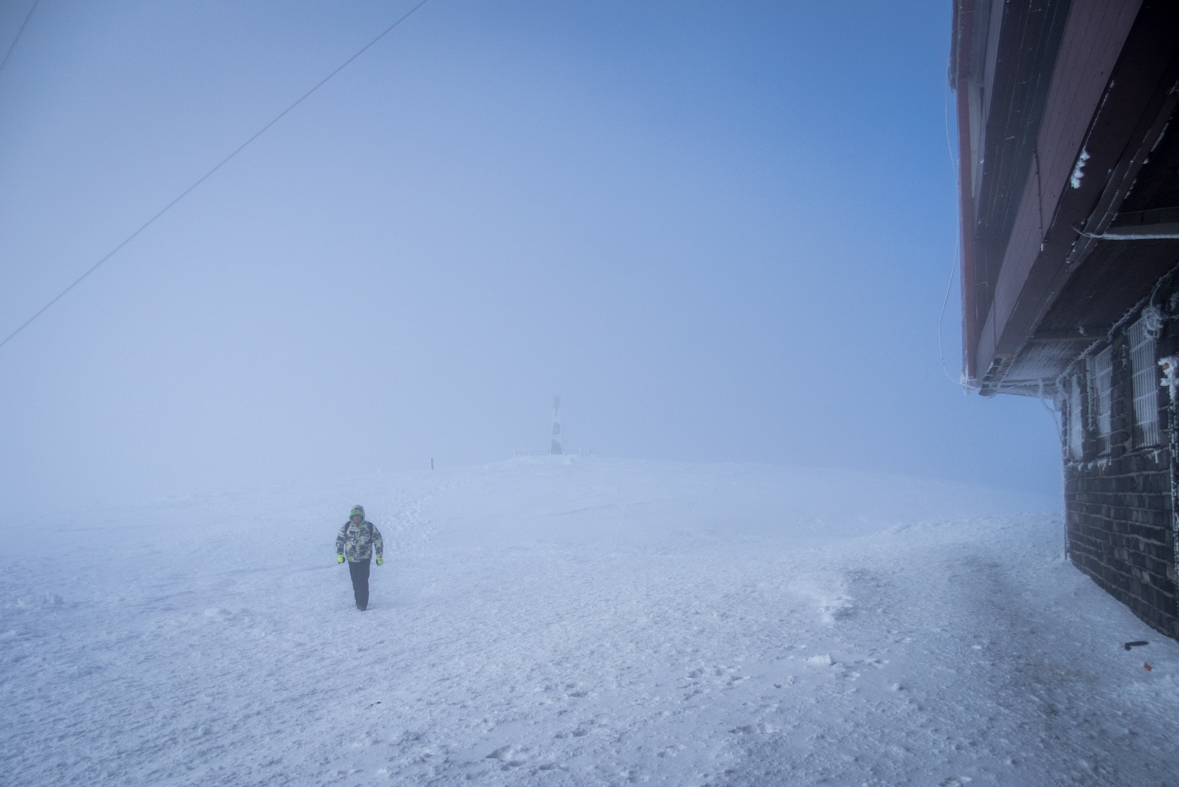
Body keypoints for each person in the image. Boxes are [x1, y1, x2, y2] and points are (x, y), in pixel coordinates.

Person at [336, 504, 383, 610]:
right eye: (354, 516)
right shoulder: (347, 526)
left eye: (358, 515)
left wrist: (379, 556)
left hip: (364, 559)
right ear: (352, 517)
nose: (356, 518)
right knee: (355, 581)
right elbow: (340, 540)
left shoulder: (369, 527)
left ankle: (362, 604)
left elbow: (378, 541)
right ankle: (358, 601)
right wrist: (340, 555)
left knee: (363, 581)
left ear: (362, 516)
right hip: (351, 559)